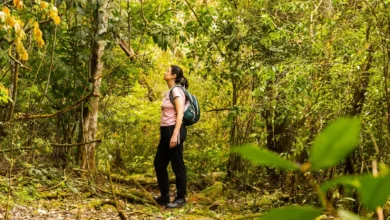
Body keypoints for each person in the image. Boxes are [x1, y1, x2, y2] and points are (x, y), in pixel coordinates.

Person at [153, 65, 189, 208]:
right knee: (159, 163)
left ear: (174, 76)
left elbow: (180, 113)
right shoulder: (170, 91)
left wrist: (175, 134)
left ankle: (181, 198)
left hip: (175, 131)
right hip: (166, 131)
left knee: (177, 165)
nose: (164, 72)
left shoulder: (176, 91)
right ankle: (165, 196)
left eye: (167, 71)